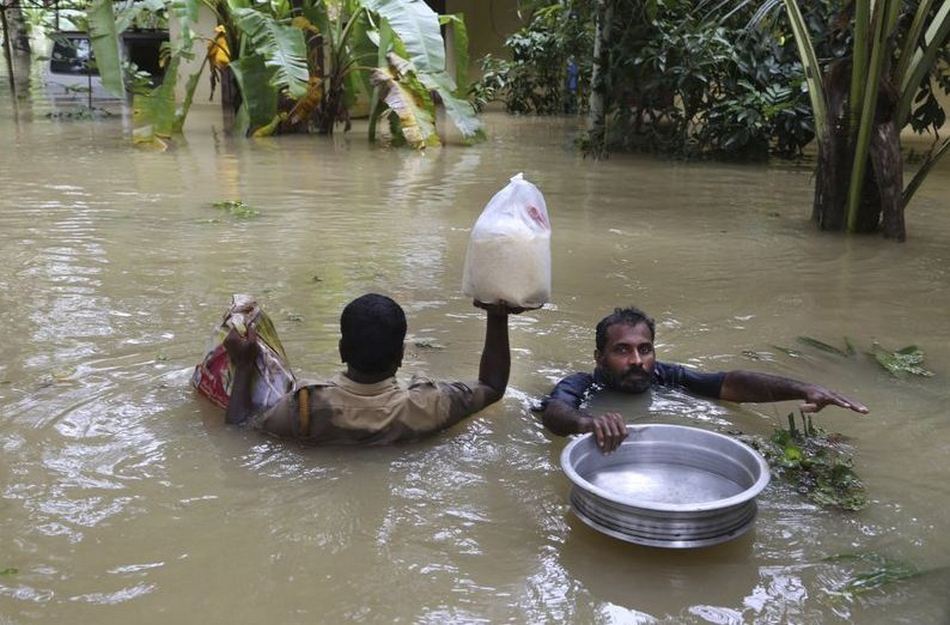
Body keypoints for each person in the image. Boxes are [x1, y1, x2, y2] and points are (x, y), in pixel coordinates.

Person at [540, 306, 868, 452]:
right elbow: (556, 413)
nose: (637, 360)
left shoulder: (665, 376)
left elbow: (730, 384)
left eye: (645, 349)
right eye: (622, 350)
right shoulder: (582, 385)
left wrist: (804, 388)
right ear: (599, 358)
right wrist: (588, 423)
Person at [222, 293, 529, 445]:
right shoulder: (429, 405)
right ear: (401, 356)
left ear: (342, 351)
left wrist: (245, 366)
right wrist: (497, 315)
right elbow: (492, 387)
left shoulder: (304, 407)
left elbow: (239, 430)